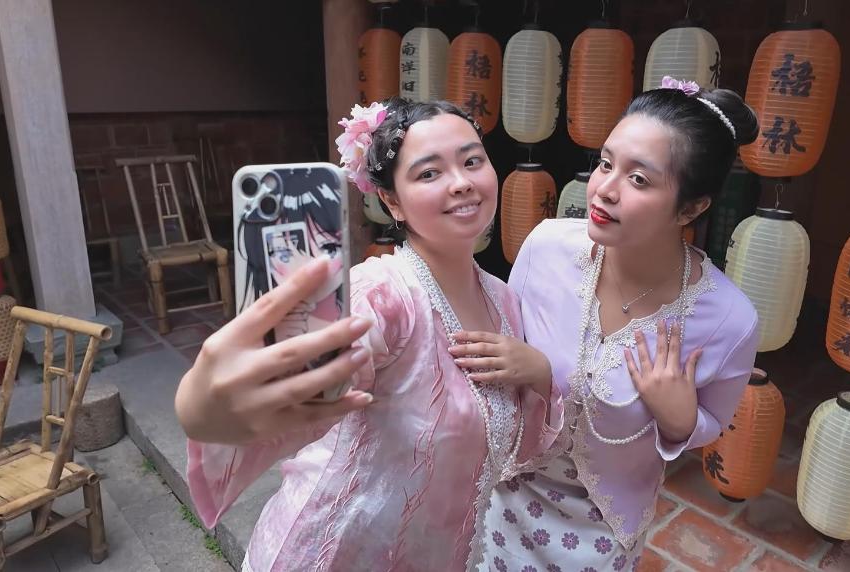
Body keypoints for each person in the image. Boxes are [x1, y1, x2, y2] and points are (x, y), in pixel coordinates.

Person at [175, 98, 563, 571]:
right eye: (429, 173)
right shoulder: (382, 295)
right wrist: (205, 408)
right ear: (392, 202)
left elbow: (516, 456)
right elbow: (306, 394)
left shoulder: (504, 303)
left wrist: (539, 373)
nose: (461, 182)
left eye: (471, 161)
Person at [450, 77, 762, 570]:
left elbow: (710, 425)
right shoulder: (547, 246)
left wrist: (680, 418)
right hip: (506, 492)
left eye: (639, 180)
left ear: (692, 207)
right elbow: (504, 359)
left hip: (604, 526)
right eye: (605, 163)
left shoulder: (729, 319)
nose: (605, 190)